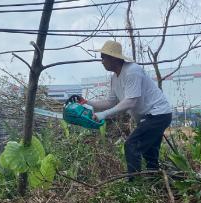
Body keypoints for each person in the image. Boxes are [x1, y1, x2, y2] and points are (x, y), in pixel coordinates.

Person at [66, 40, 172, 181]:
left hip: (158, 114)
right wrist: (85, 102)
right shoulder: (114, 78)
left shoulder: (132, 71)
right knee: (149, 154)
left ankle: (133, 186)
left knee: (131, 145)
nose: (102, 61)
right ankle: (155, 184)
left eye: (104, 57)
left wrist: (103, 114)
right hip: (149, 117)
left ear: (114, 58)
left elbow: (130, 101)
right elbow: (110, 102)